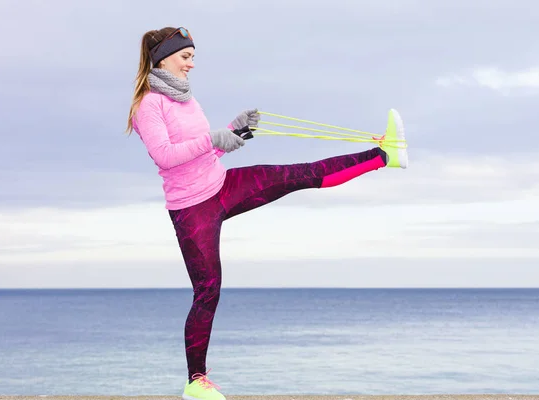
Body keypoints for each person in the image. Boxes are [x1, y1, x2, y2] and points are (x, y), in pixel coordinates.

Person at [126, 26, 408, 400]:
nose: (192, 63)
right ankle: (196, 383)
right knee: (207, 290)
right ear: (164, 58)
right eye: (186, 56)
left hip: (222, 185)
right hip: (191, 209)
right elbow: (165, 156)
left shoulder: (187, 100)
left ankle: (385, 155)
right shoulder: (149, 104)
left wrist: (233, 134)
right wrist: (213, 138)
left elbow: (204, 152)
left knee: (297, 174)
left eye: (192, 56)